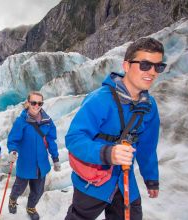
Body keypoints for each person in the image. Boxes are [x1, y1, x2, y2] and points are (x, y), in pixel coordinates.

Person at [64, 37, 165, 220]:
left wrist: (151, 179)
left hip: (126, 182)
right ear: (126, 66)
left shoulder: (149, 106)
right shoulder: (100, 99)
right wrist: (107, 153)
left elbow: (147, 147)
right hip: (94, 181)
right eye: (145, 65)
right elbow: (74, 138)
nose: (152, 72)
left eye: (158, 67)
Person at [7, 91, 61, 220]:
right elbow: (13, 139)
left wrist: (55, 158)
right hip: (26, 163)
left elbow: (51, 140)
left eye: (39, 103)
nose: (36, 106)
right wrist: (13, 150)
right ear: (28, 103)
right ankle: (12, 199)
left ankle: (31, 207)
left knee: (38, 191)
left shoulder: (47, 121)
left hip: (41, 163)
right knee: (19, 188)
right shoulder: (21, 121)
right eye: (33, 102)